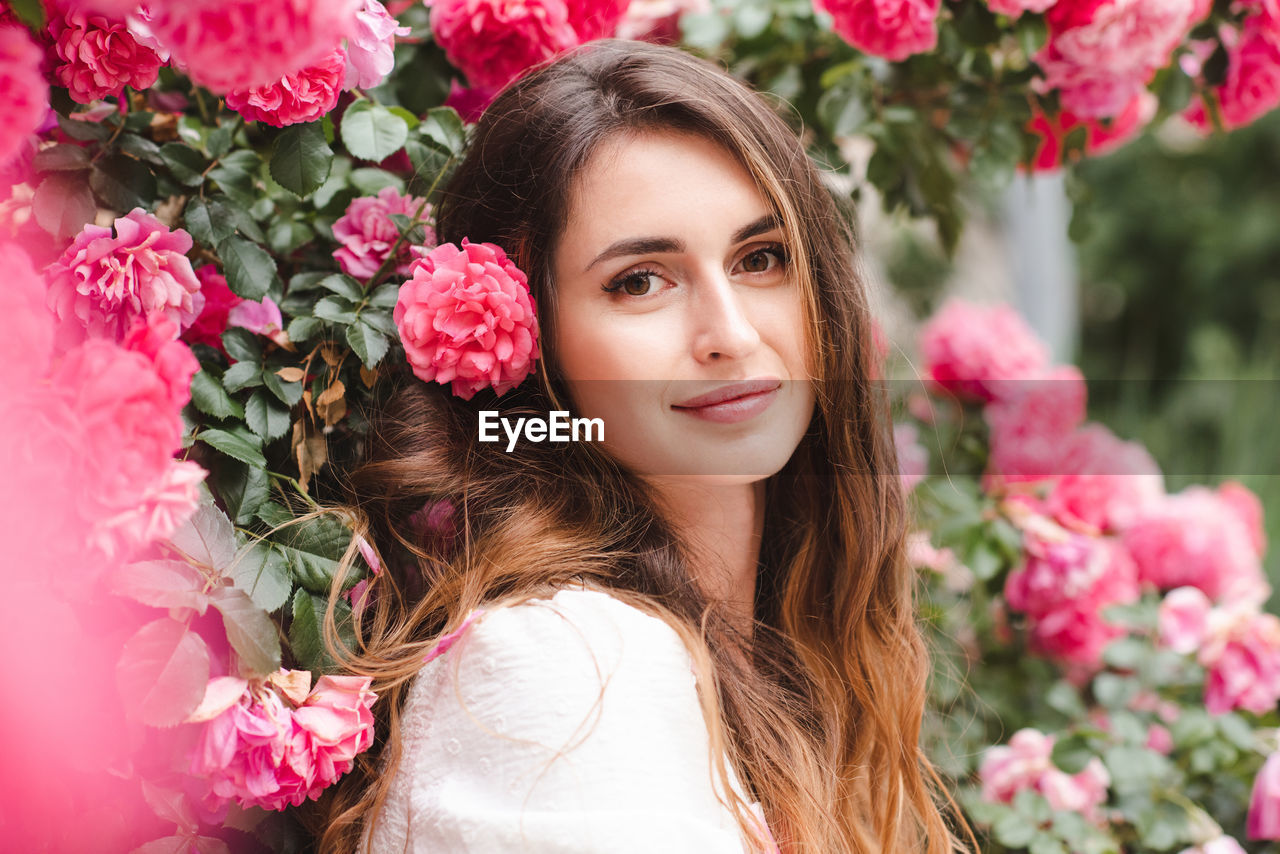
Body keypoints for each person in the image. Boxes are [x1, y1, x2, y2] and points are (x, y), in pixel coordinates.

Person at [306, 38, 970, 854]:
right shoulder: (565, 662)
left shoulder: (774, 656)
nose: (728, 334)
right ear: (529, 342)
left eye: (761, 259)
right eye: (639, 281)